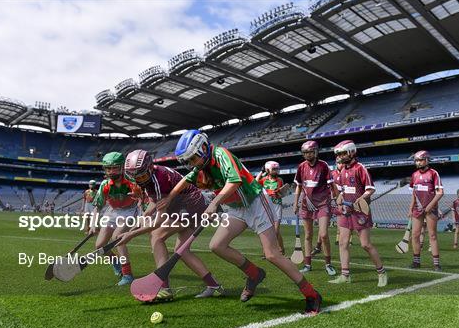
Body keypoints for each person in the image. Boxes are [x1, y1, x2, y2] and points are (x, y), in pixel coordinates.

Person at [156, 130, 322, 314]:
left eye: (192, 159)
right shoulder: (201, 165)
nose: (191, 164)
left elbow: (234, 181)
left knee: (272, 254)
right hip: (236, 209)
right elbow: (186, 180)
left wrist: (214, 203)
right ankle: (254, 274)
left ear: (203, 148)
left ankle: (312, 294)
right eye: (187, 161)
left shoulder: (221, 154)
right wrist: (170, 197)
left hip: (256, 203)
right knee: (217, 245)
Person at [116, 149, 224, 300]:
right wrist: (144, 217)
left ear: (149, 167)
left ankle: (164, 288)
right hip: (188, 207)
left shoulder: (158, 178)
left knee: (156, 236)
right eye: (135, 177)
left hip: (189, 207)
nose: (139, 179)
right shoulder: (149, 177)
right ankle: (214, 286)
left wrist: (131, 234)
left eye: (141, 175)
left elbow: (159, 221)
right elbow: (155, 201)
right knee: (182, 250)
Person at [329, 140, 387, 287]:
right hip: (345, 212)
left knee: (365, 244)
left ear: (351, 152)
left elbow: (370, 189)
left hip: (360, 212)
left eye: (342, 153)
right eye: (338, 154)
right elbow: (342, 190)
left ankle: (382, 273)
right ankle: (345, 275)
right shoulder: (341, 171)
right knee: (342, 243)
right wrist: (340, 201)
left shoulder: (361, 168)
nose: (340, 157)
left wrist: (360, 200)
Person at [91, 152, 138, 286]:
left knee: (118, 238)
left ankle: (128, 275)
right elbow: (97, 207)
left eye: (115, 168)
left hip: (130, 211)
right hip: (113, 212)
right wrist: (94, 224)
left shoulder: (131, 181)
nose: (111, 171)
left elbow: (142, 198)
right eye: (108, 168)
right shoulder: (105, 184)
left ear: (122, 167)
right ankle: (116, 263)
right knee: (99, 246)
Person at [293, 140, 337, 276]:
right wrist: (296, 203)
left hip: (323, 204)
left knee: (323, 235)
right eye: (305, 152)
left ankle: (328, 264)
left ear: (316, 152)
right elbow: (299, 186)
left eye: (310, 152)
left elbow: (331, 185)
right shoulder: (301, 166)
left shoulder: (323, 166)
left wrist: (337, 199)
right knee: (308, 235)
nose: (307, 155)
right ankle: (307, 265)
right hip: (307, 205)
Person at [409, 150, 444, 271]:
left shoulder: (433, 173)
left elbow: (440, 192)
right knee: (415, 235)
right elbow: (414, 193)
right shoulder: (414, 175)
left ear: (426, 160)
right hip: (417, 209)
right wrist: (410, 208)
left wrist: (430, 206)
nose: (418, 163)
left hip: (431, 209)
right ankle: (416, 261)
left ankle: (436, 263)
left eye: (420, 160)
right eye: (416, 160)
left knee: (432, 235)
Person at [256, 161, 286, 256]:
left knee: (276, 231)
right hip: (266, 207)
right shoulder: (264, 179)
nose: (276, 171)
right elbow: (254, 183)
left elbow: (280, 193)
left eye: (277, 169)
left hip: (276, 206)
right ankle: (267, 251)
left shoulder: (279, 180)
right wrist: (261, 172)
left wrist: (276, 193)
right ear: (268, 169)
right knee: (265, 230)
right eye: (274, 169)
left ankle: (281, 249)